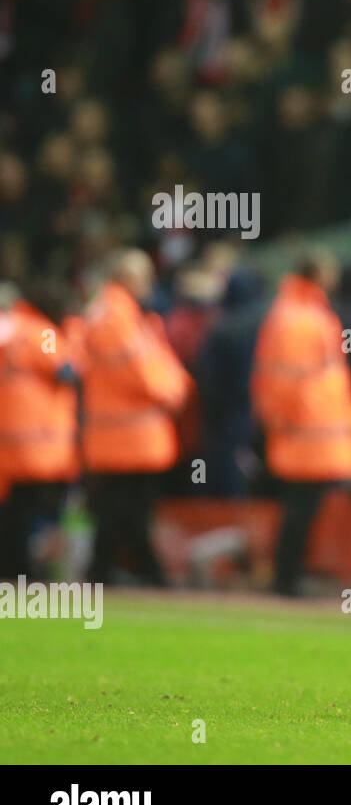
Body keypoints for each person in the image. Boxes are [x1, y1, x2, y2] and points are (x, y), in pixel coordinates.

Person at [251, 249, 351, 596]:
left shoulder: (302, 313)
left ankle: (289, 575)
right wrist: (285, 421)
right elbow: (287, 380)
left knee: (301, 510)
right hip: (306, 433)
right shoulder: (301, 317)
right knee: (299, 510)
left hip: (310, 432)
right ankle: (286, 578)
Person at [82, 250, 192, 585]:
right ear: (128, 279)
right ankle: (148, 574)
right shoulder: (117, 318)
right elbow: (142, 373)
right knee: (128, 509)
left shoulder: (119, 315)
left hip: (123, 433)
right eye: (145, 277)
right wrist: (176, 390)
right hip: (128, 434)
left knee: (119, 509)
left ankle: (109, 572)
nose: (150, 285)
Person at [0, 279, 79, 578]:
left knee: (12, 513)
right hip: (36, 445)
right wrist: (71, 334)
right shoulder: (40, 331)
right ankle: (26, 573)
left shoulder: (9, 329)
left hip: (7, 443)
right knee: (32, 513)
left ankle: (10, 570)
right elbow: (66, 370)